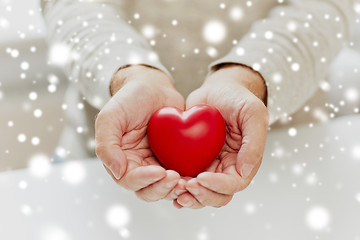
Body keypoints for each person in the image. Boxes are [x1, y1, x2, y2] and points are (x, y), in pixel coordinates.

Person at [40, 0, 357, 209]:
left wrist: (246, 80)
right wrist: (129, 75)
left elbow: (326, 6)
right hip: (104, 166)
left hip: (286, 167)